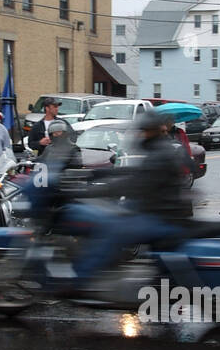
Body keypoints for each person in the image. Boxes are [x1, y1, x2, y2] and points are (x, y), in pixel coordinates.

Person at [70, 110, 191, 287]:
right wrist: (98, 173)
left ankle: (80, 281)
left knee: (112, 229)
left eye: (142, 131)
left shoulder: (161, 154)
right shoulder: (158, 149)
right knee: (114, 214)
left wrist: (86, 192)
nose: (139, 135)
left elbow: (135, 184)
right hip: (158, 209)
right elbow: (137, 173)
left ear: (150, 131)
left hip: (163, 216)